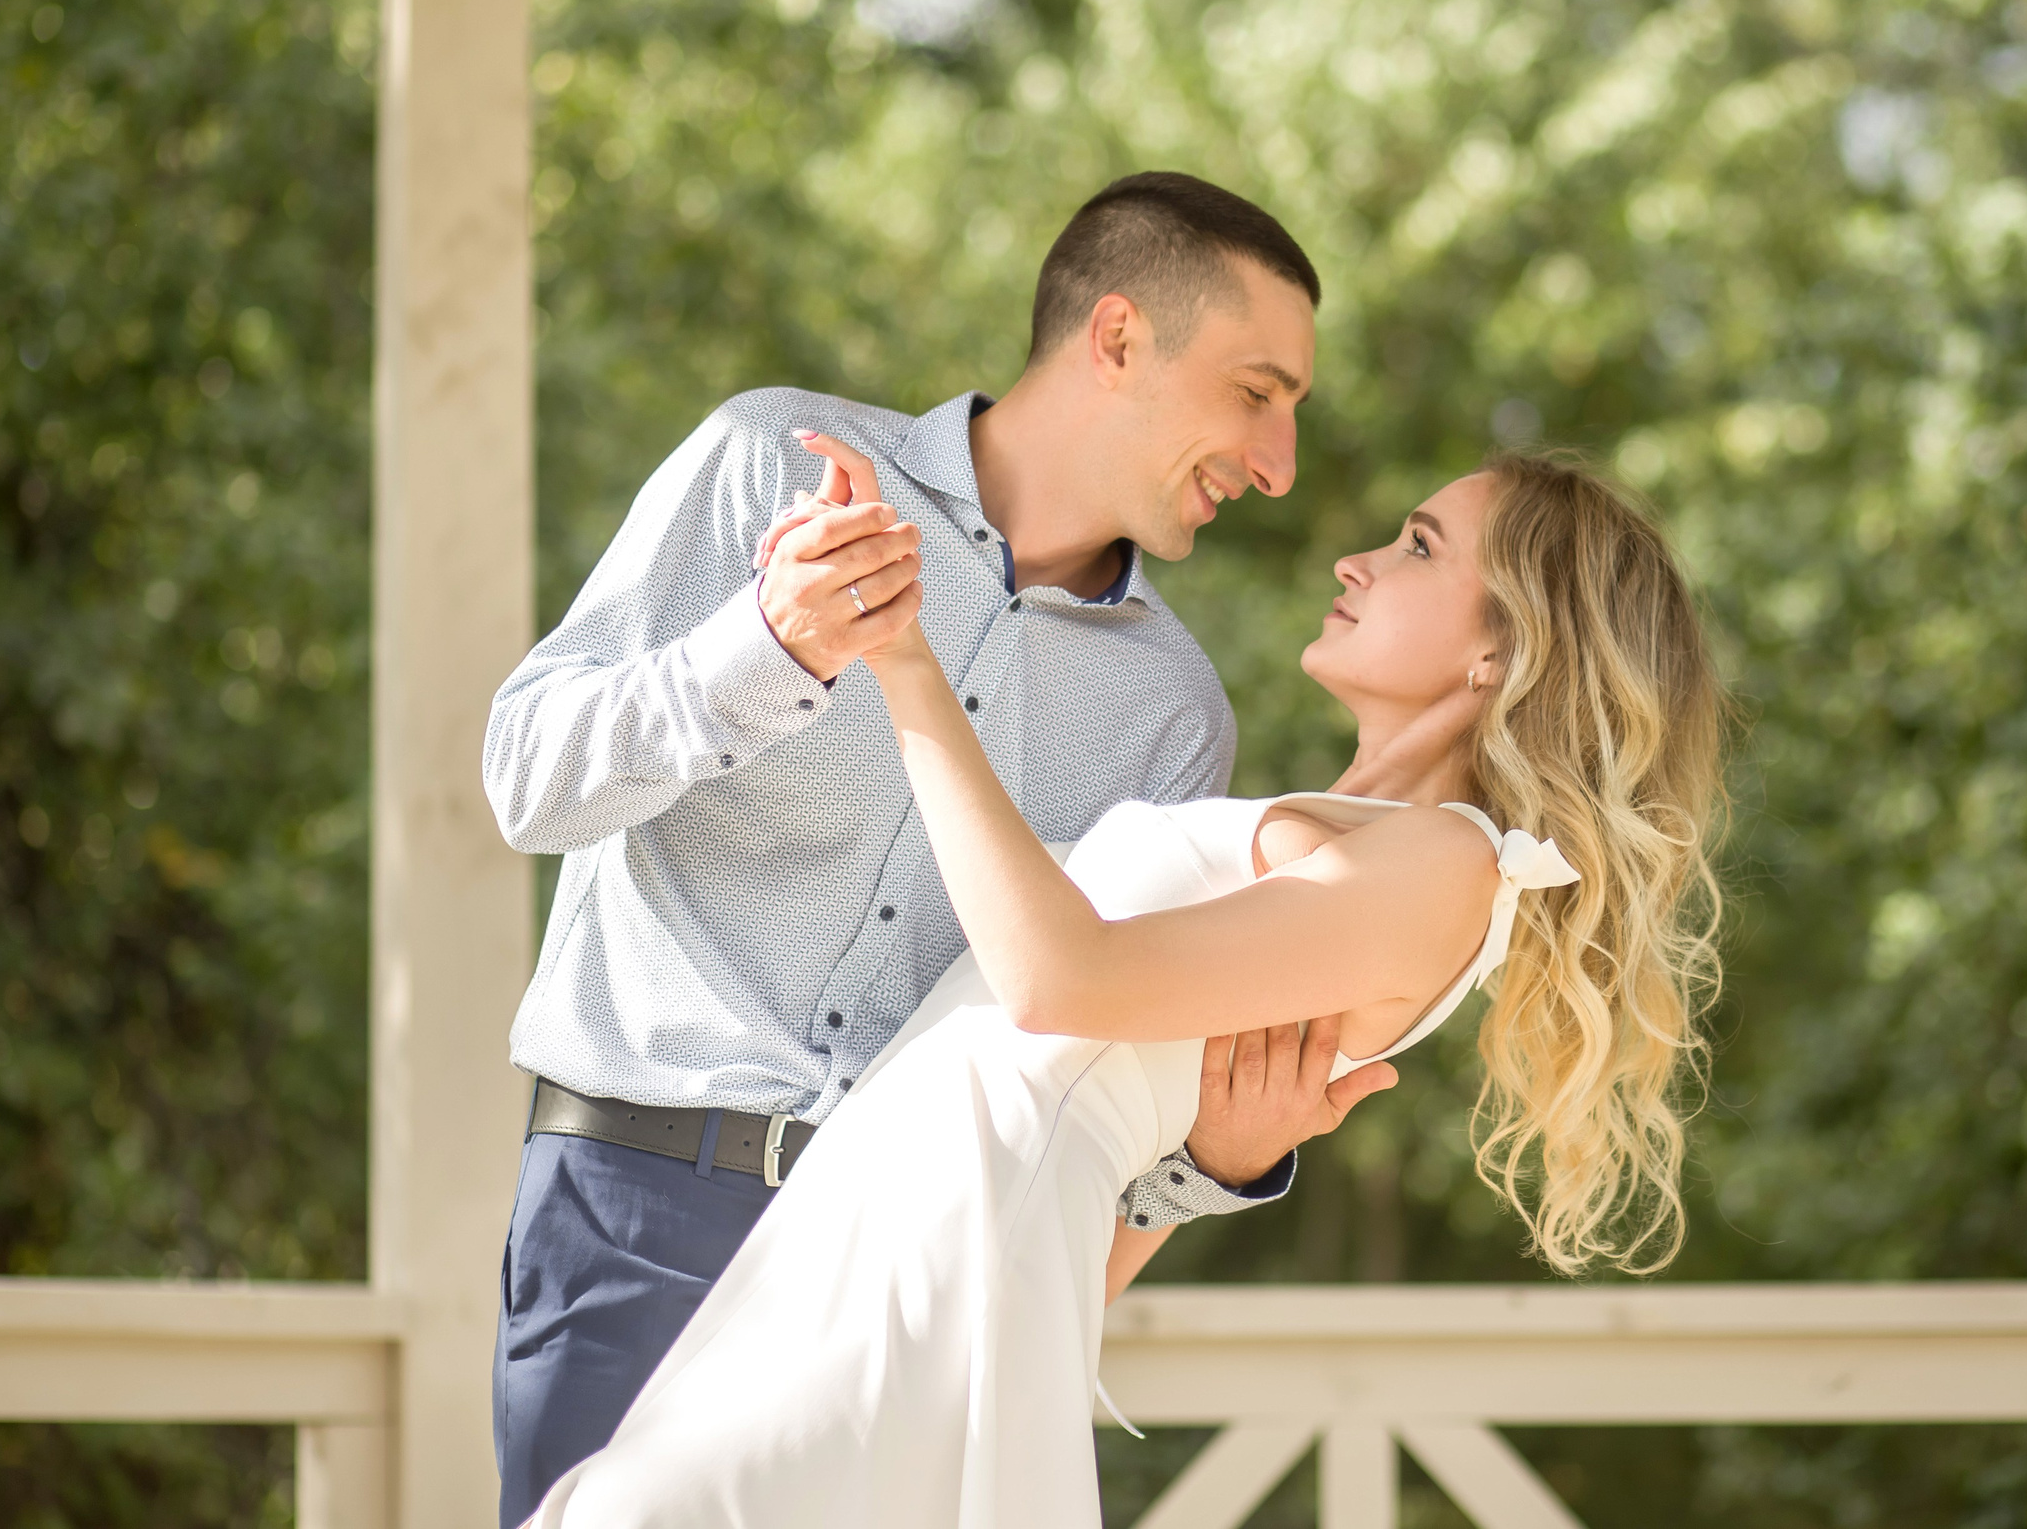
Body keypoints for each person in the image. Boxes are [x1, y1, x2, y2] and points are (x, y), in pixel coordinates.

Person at [528, 442, 1728, 1528]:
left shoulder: (1450, 866)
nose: (1356, 560)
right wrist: (1202, 1168)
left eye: (1418, 546)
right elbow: (1069, 1151)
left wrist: (901, 656)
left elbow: (1054, 981)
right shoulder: (1356, 839)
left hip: (917, 1265)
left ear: (1501, 649)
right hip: (879, 1248)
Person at [480, 174, 1398, 1524]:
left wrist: (1211, 1161)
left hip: (915, 1278)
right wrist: (765, 650)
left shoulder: (1172, 714)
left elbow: (1084, 1083)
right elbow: (526, 784)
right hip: (634, 1218)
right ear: (1119, 337)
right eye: (1257, 393)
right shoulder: (769, 462)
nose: (1279, 465)